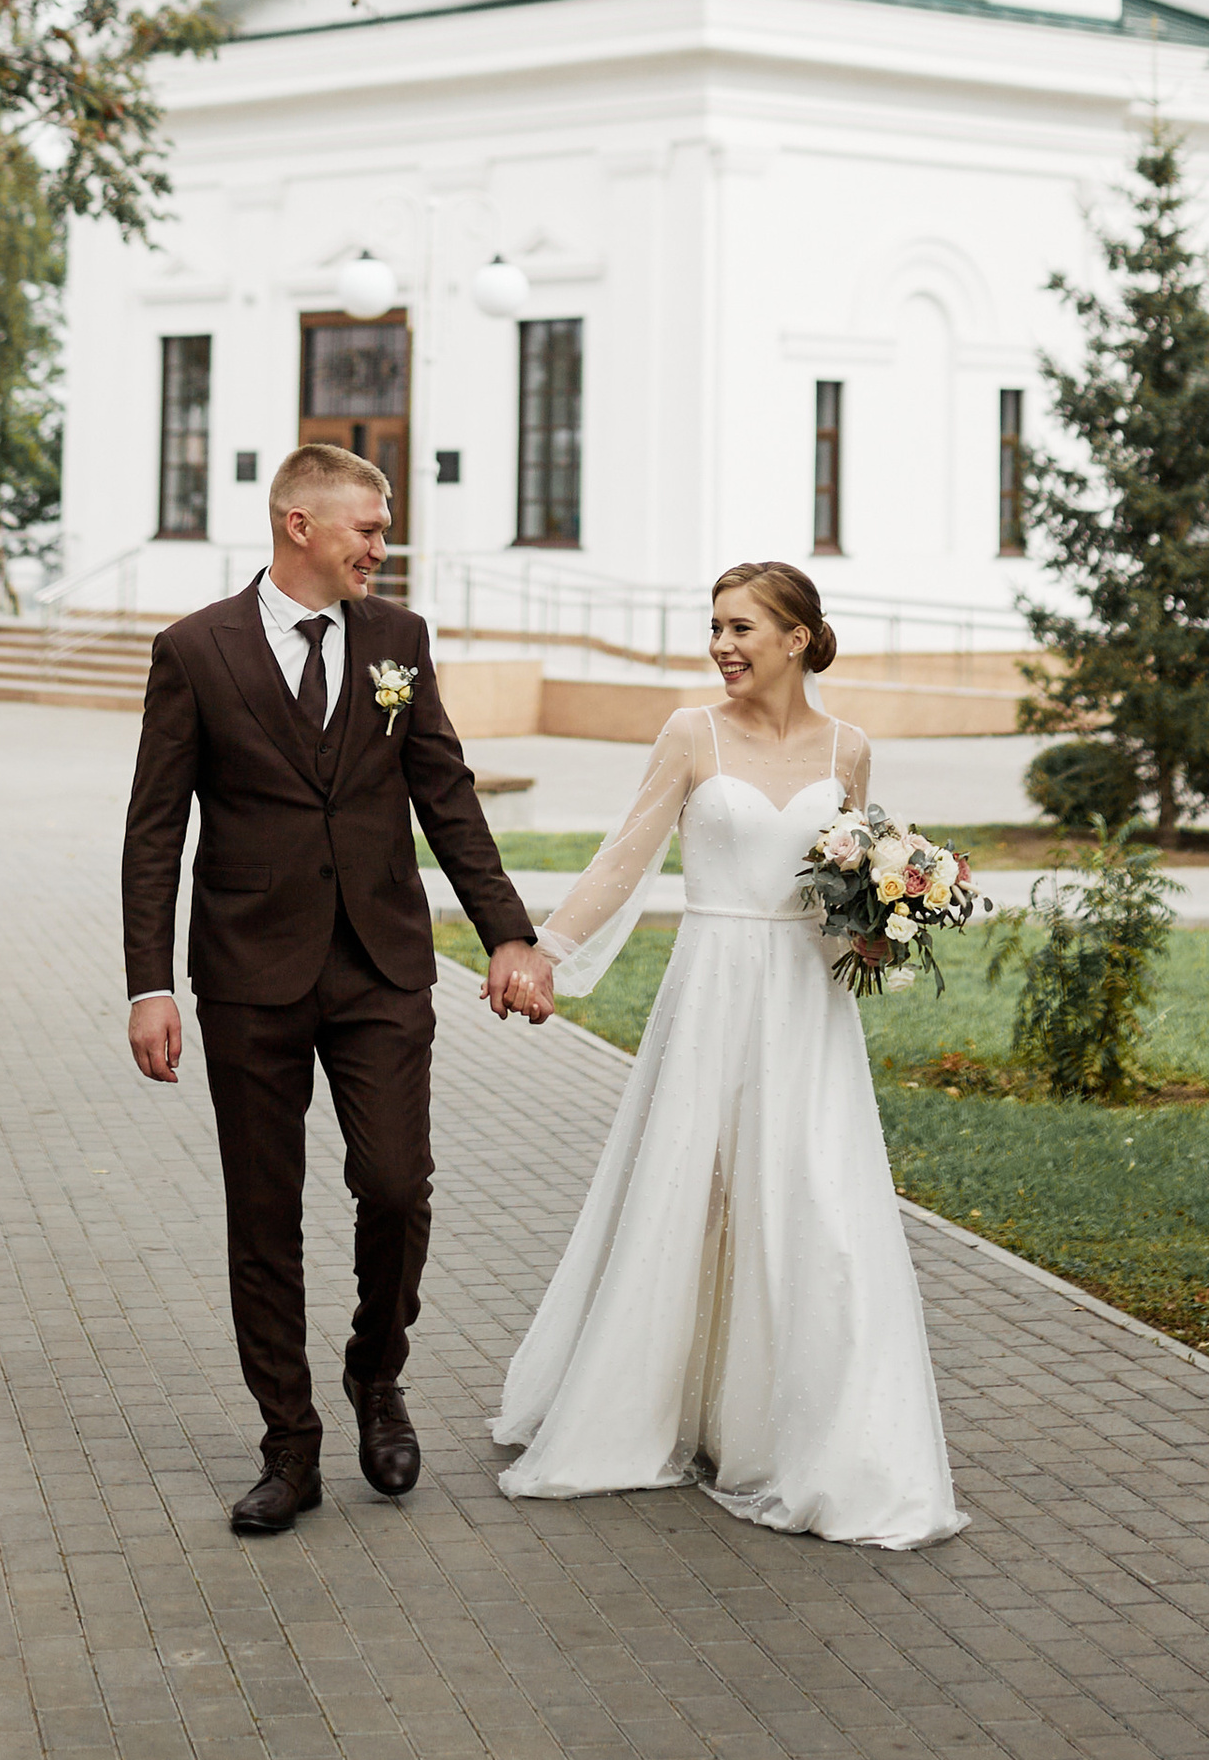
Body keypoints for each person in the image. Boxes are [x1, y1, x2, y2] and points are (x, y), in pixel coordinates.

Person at [122, 442, 554, 1534]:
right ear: (297, 526)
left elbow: (443, 793)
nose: (381, 545)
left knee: (397, 1184)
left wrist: (510, 934)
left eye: (385, 526)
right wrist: (149, 985)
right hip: (248, 975)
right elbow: (154, 831)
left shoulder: (398, 642)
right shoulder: (194, 650)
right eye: (366, 527)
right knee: (262, 1217)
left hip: (379, 964)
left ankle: (376, 1372)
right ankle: (290, 1443)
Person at [493, 558, 966, 1549]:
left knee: (815, 1207)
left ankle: (803, 1432)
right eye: (714, 626)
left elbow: (843, 908)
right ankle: (653, 1408)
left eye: (741, 628)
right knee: (692, 1193)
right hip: (710, 990)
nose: (721, 645)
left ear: (796, 639)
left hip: (804, 1006)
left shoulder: (850, 748)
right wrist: (546, 951)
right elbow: (625, 854)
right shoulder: (690, 733)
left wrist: (889, 921)